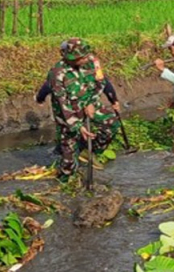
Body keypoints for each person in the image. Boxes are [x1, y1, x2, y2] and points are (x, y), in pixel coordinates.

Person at [39, 38, 120, 180]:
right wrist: (78, 126)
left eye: (86, 56)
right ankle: (63, 180)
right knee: (69, 165)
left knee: (111, 123)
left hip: (89, 104)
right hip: (68, 114)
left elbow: (101, 83)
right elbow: (63, 104)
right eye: (81, 58)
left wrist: (92, 102)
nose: (85, 59)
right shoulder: (57, 74)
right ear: (71, 58)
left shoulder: (92, 62)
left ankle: (88, 151)